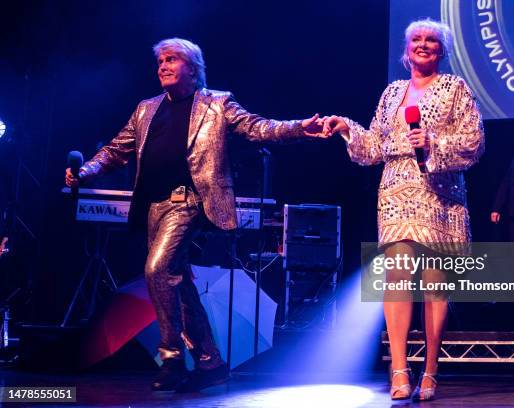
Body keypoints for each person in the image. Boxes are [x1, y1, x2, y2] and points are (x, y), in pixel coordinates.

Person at [65, 38, 325, 392]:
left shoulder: (217, 104)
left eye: (171, 60)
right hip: (154, 206)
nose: (163, 66)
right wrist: (85, 172)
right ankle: (210, 362)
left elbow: (258, 127)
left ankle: (171, 357)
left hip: (188, 202)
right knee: (176, 280)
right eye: (160, 61)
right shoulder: (146, 109)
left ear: (193, 67)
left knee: (157, 269)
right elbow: (115, 150)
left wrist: (298, 128)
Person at [322, 19, 484, 401]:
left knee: (433, 285)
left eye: (431, 40)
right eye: (417, 40)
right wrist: (346, 127)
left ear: (442, 51)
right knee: (396, 276)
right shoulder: (392, 92)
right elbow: (374, 147)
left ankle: (430, 370)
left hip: (439, 193)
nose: (423, 45)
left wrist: (433, 141)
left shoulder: (455, 88)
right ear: (406, 49)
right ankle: (399, 368)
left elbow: (474, 142)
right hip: (395, 191)